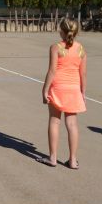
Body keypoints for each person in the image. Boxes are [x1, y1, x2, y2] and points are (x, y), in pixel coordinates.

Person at [39, 18, 87, 169]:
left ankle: (52, 157)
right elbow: (83, 74)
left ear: (62, 31)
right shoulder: (81, 49)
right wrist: (83, 93)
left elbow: (52, 71)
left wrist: (45, 89)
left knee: (54, 121)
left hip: (58, 88)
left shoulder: (56, 47)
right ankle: (73, 160)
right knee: (72, 124)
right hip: (73, 90)